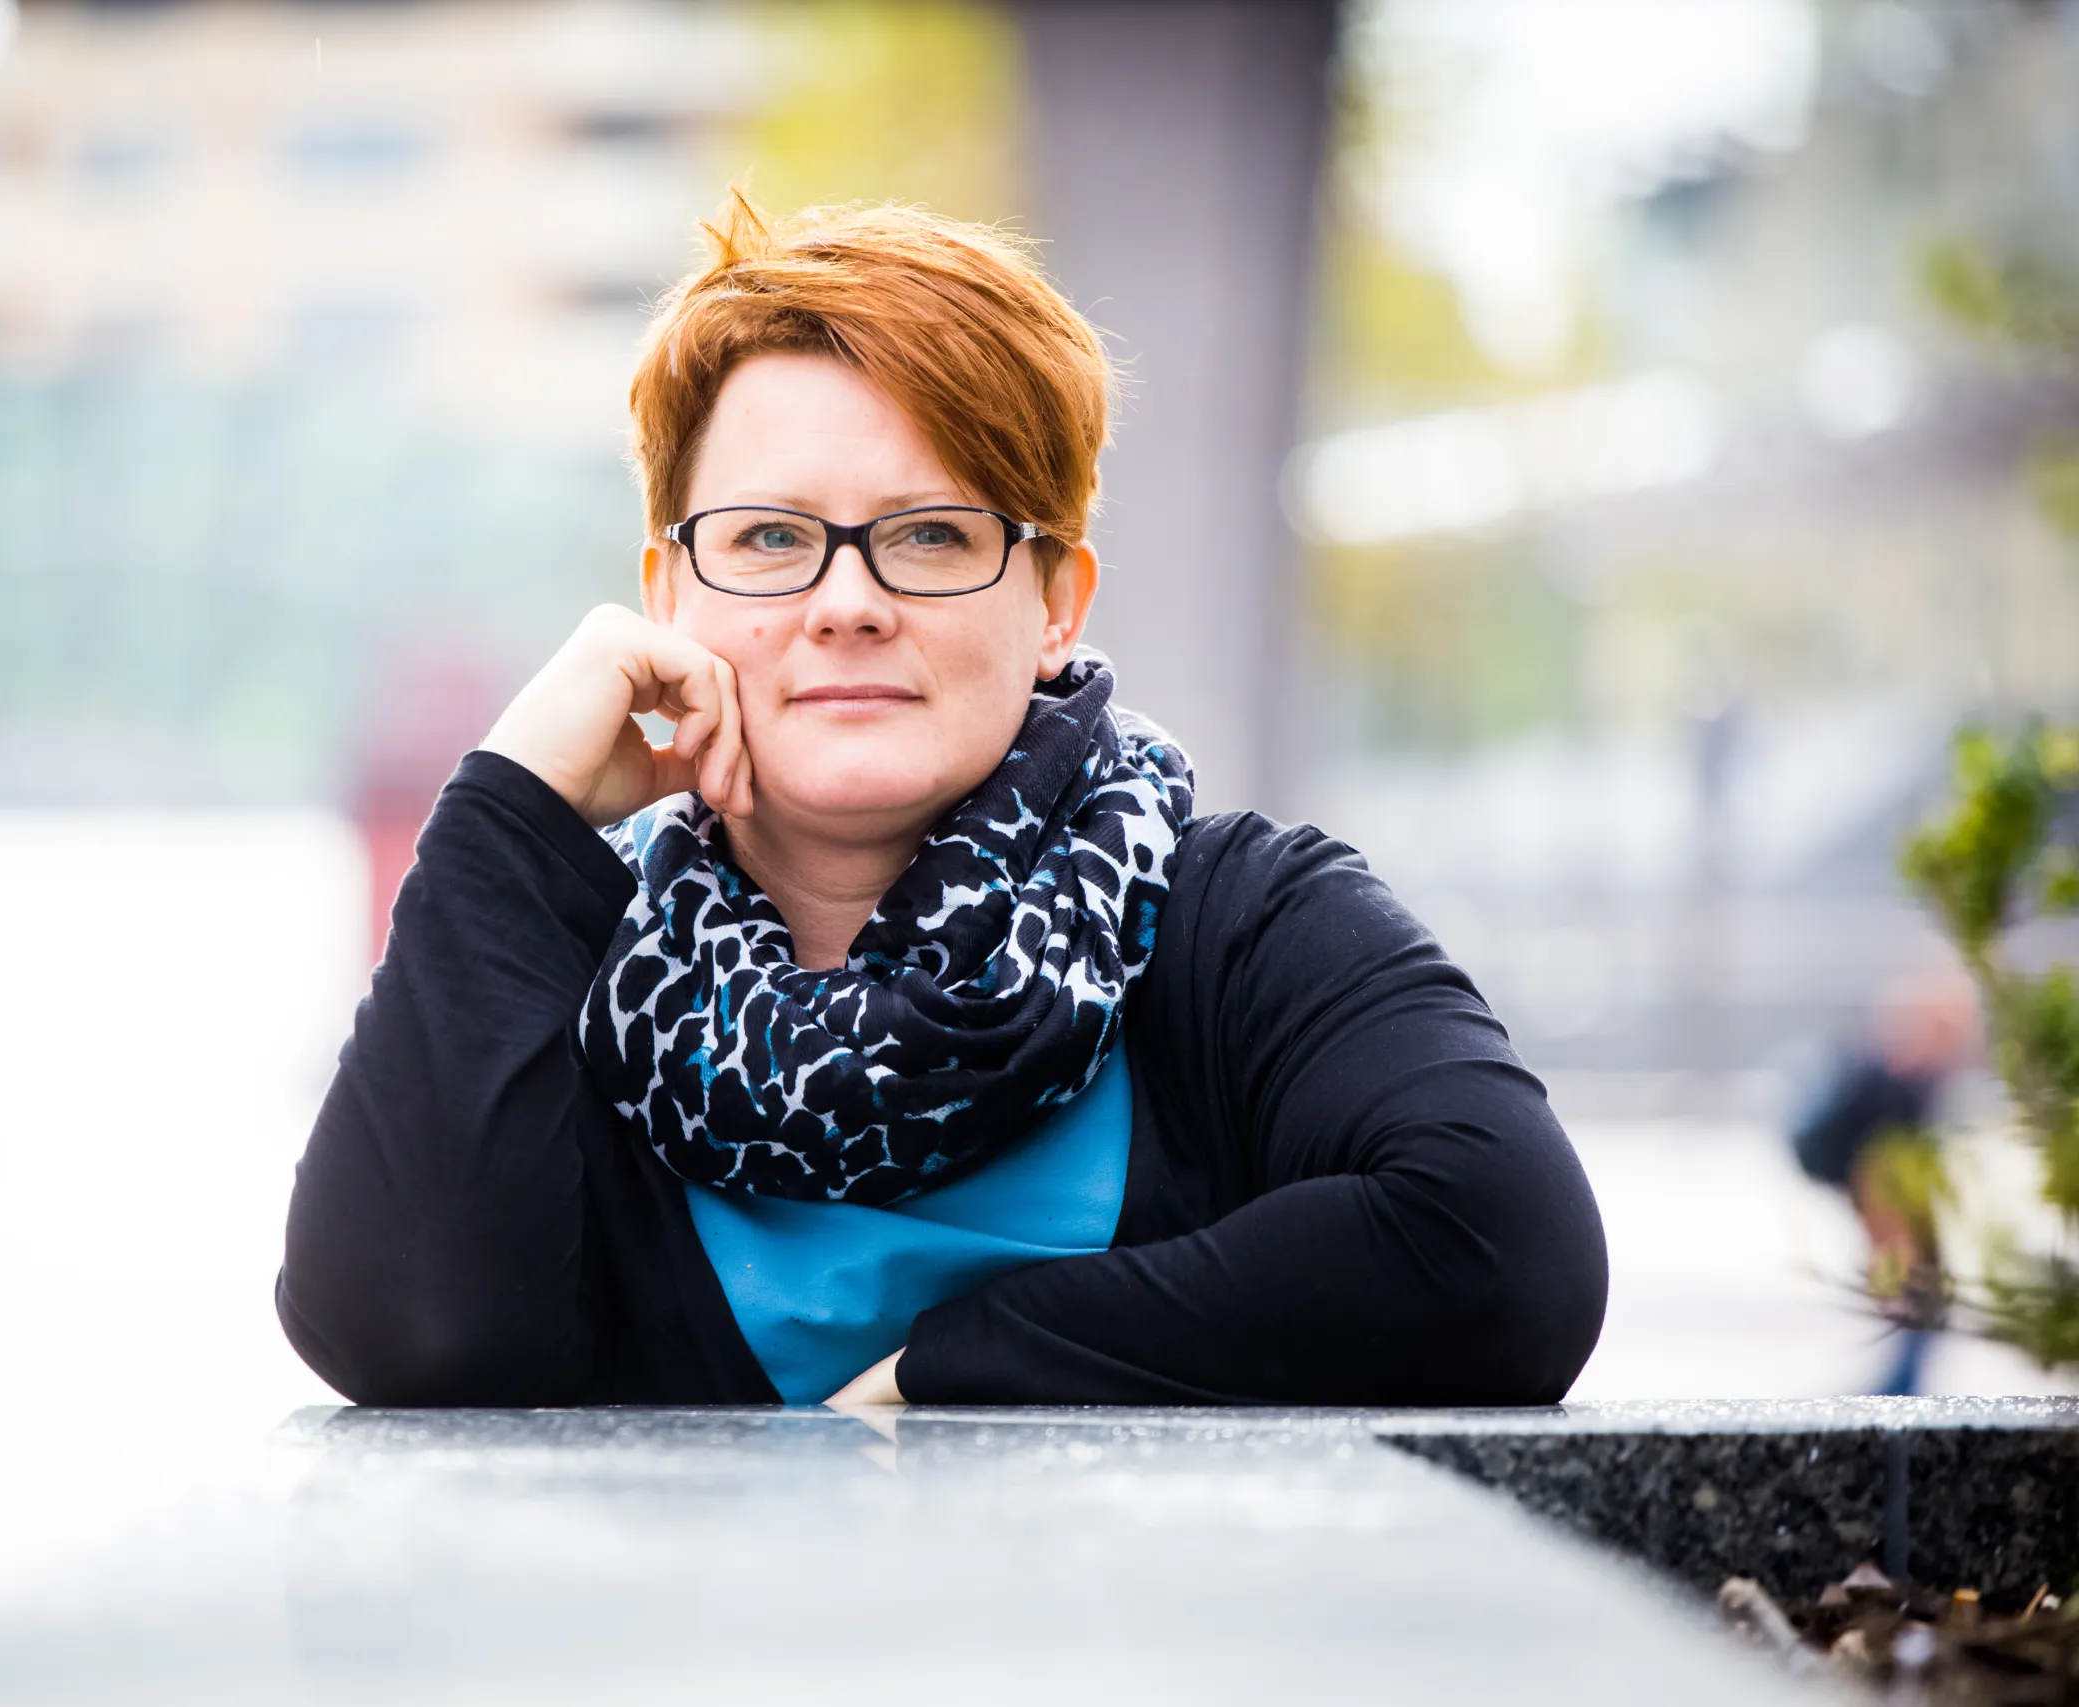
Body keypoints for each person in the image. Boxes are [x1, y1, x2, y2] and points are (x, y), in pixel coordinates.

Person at [277, 194, 1609, 1409]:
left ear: (1056, 603)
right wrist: (515, 801)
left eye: (929, 535)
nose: (847, 600)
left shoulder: (1239, 923)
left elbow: (1502, 1254)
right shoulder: (566, 983)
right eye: (769, 538)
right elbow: (406, 1331)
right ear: (671, 592)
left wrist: (950, 1372)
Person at [1791, 965, 1980, 1396]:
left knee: (1918, 1319)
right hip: (1888, 1210)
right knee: (1917, 1311)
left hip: (1894, 1210)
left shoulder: (1903, 1082)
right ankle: (1886, 1411)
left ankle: (1891, 1404)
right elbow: (1878, 1176)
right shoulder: (1894, 1089)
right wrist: (1896, 1249)